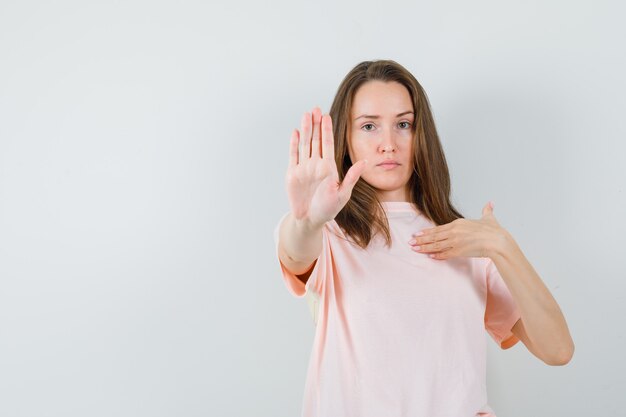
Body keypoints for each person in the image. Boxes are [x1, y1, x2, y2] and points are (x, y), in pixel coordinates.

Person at [273, 59, 574, 417]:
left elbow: (558, 350)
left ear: (421, 135)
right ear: (347, 140)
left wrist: (502, 247)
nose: (389, 143)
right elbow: (295, 252)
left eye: (403, 124)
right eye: (369, 126)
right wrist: (310, 220)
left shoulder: (468, 240)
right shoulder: (329, 233)